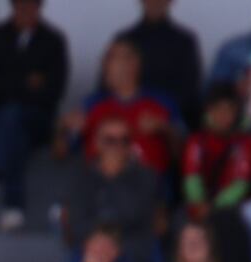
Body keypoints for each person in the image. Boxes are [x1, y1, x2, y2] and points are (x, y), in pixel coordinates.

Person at [0, 0, 69, 233]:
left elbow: (53, 91)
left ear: (39, 7)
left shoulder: (53, 41)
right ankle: (12, 207)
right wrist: (26, 83)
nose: (25, 10)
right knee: (14, 128)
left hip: (38, 121)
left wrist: (8, 83)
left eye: (31, 5)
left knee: (14, 119)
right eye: (20, 5)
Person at [66, 39, 181, 177]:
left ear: (133, 64)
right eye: (105, 58)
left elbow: (182, 154)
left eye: (111, 57)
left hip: (150, 186)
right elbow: (63, 151)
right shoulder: (92, 103)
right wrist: (64, 127)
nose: (104, 64)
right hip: (97, 186)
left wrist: (164, 128)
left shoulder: (161, 102)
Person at [181, 82, 251, 262]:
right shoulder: (197, 140)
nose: (224, 115)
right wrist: (198, 205)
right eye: (218, 109)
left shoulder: (245, 142)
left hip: (230, 207)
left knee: (229, 224)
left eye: (229, 109)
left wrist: (214, 207)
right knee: (180, 224)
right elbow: (191, 177)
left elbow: (240, 184)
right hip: (198, 206)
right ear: (209, 111)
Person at [57, 116, 160, 252]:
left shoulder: (146, 177)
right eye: (110, 140)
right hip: (89, 251)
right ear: (97, 143)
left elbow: (138, 218)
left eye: (124, 140)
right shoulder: (81, 178)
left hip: (132, 252)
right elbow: (77, 225)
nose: (118, 146)